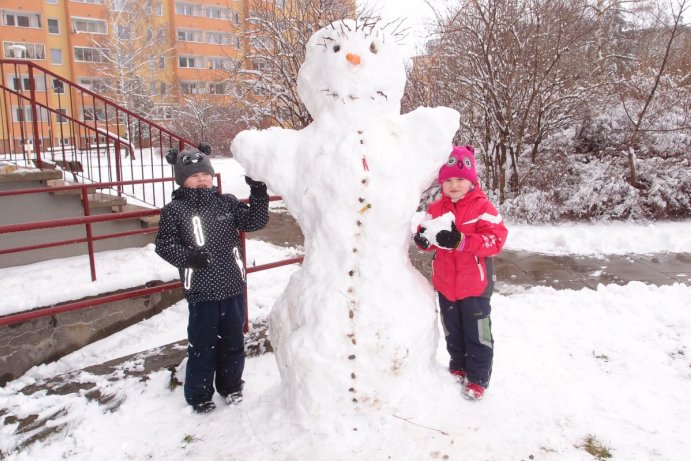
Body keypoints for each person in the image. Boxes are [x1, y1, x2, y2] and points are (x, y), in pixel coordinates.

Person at [155, 144, 269, 414]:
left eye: (205, 173)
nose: (202, 179)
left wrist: (258, 190)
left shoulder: (226, 202)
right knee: (202, 345)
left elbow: (254, 221)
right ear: (182, 179)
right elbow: (164, 245)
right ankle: (199, 395)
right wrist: (191, 258)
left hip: (232, 286)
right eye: (194, 175)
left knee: (233, 341)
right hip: (202, 291)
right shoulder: (174, 210)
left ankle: (231, 387)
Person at [413, 145, 508, 401]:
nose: (454, 185)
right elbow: (427, 235)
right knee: (452, 330)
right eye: (449, 180)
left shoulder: (483, 207)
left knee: (477, 333)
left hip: (475, 286)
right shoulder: (435, 209)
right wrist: (423, 242)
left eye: (461, 179)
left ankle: (477, 378)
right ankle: (457, 367)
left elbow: (496, 240)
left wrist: (462, 241)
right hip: (446, 285)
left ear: (471, 181)